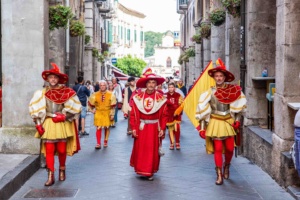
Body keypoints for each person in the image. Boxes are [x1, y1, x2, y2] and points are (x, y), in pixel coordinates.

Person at [195, 59, 247, 185]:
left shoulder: (233, 91)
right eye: (217, 76)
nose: (219, 78)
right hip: (215, 121)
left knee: (229, 149)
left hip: (228, 121)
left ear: (225, 77)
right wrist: (202, 127)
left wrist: (238, 121)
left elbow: (239, 109)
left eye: (221, 76)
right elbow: (203, 111)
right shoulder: (209, 92)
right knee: (217, 149)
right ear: (214, 77)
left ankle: (227, 166)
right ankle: (218, 174)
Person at [29, 63, 81, 186]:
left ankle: (62, 169)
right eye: (51, 77)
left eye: (55, 77)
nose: (53, 79)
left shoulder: (66, 92)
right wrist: (38, 124)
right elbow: (35, 109)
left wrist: (64, 116)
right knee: (49, 150)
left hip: (61, 123)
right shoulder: (41, 93)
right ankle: (50, 175)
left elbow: (75, 108)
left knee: (62, 150)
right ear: (47, 79)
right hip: (48, 123)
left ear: (58, 79)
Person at [130, 68, 168, 181]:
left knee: (152, 150)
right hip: (141, 127)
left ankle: (150, 171)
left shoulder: (161, 99)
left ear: (156, 84)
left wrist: (162, 128)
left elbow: (164, 115)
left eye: (153, 82)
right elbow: (134, 114)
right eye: (149, 82)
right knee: (141, 149)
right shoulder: (137, 98)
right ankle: (140, 169)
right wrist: (134, 128)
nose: (151, 85)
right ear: (146, 84)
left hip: (154, 128)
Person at [88, 81, 116, 149]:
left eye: (104, 85)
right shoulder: (95, 94)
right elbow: (90, 104)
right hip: (98, 112)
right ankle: (98, 143)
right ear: (99, 86)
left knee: (107, 127)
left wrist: (112, 114)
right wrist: (92, 110)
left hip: (107, 112)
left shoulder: (111, 94)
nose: (102, 86)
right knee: (98, 128)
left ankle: (105, 141)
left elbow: (113, 106)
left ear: (106, 86)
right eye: (101, 85)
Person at [165, 82, 184, 150]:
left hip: (176, 115)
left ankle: (177, 142)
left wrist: (177, 112)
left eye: (172, 87)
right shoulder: (165, 95)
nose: (171, 88)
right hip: (169, 115)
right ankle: (172, 143)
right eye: (169, 87)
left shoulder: (178, 95)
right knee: (171, 130)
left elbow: (182, 105)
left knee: (177, 129)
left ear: (174, 88)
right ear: (168, 88)